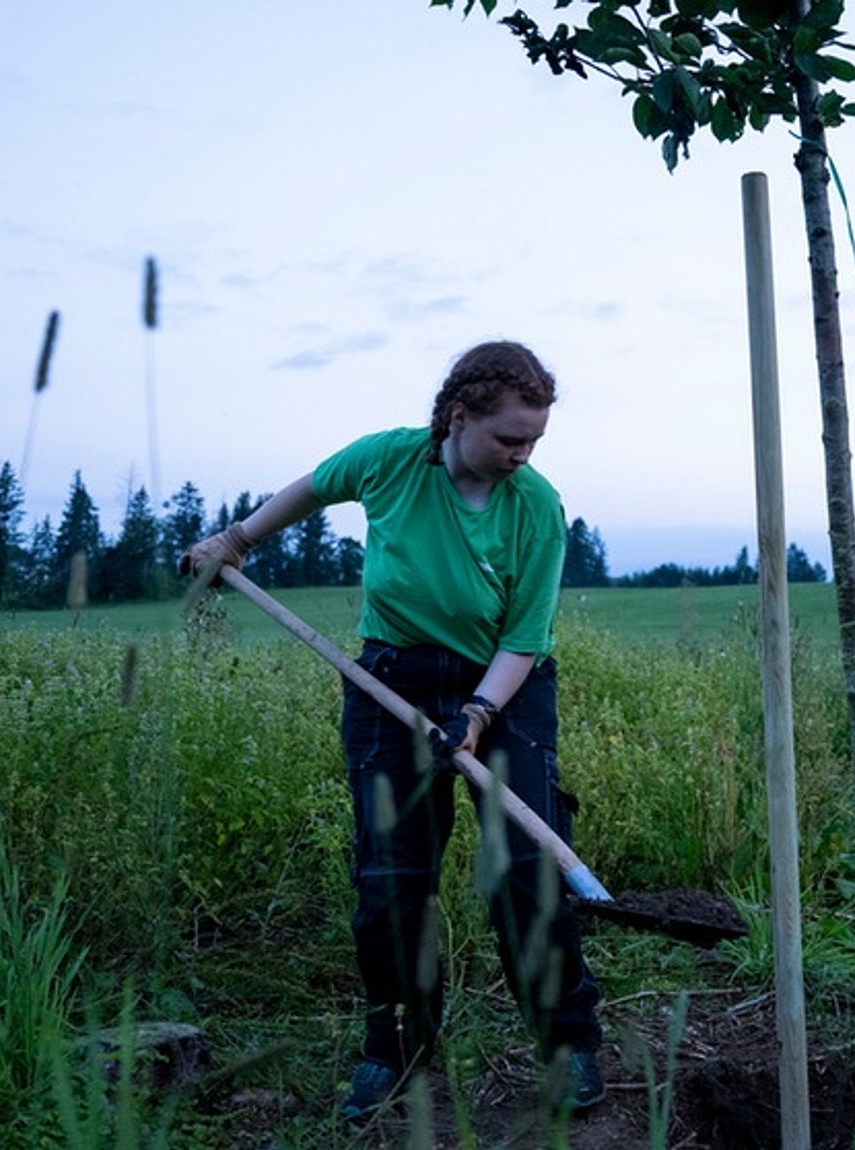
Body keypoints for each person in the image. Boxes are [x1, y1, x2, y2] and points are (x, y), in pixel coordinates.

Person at [184, 340, 605, 1121]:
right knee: (390, 883)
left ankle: (568, 1043)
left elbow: (525, 636)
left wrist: (477, 717)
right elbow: (311, 489)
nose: (523, 455)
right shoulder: (388, 462)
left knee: (525, 865)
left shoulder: (536, 507)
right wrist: (237, 541)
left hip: (506, 690)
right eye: (509, 437)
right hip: (389, 683)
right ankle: (398, 1052)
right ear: (459, 416)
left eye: (535, 441)